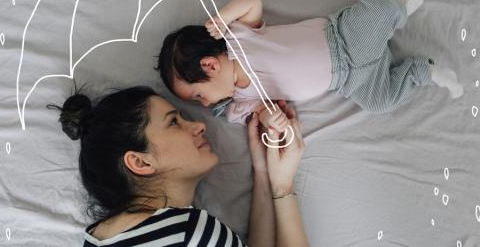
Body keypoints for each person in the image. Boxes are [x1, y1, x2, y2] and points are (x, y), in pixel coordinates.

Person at [156, 0, 464, 131]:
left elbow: (252, 2)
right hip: (349, 81)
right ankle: (424, 73)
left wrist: (224, 16)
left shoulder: (239, 37)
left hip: (341, 38)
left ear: (210, 66)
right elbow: (263, 113)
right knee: (380, 102)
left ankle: (400, 10)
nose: (206, 105)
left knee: (377, 14)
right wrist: (270, 120)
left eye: (199, 95)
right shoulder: (241, 100)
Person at [48, 86, 309, 246]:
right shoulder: (188, 231)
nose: (199, 126)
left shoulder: (95, 240)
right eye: (174, 122)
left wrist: (264, 175)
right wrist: (282, 184)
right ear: (140, 161)